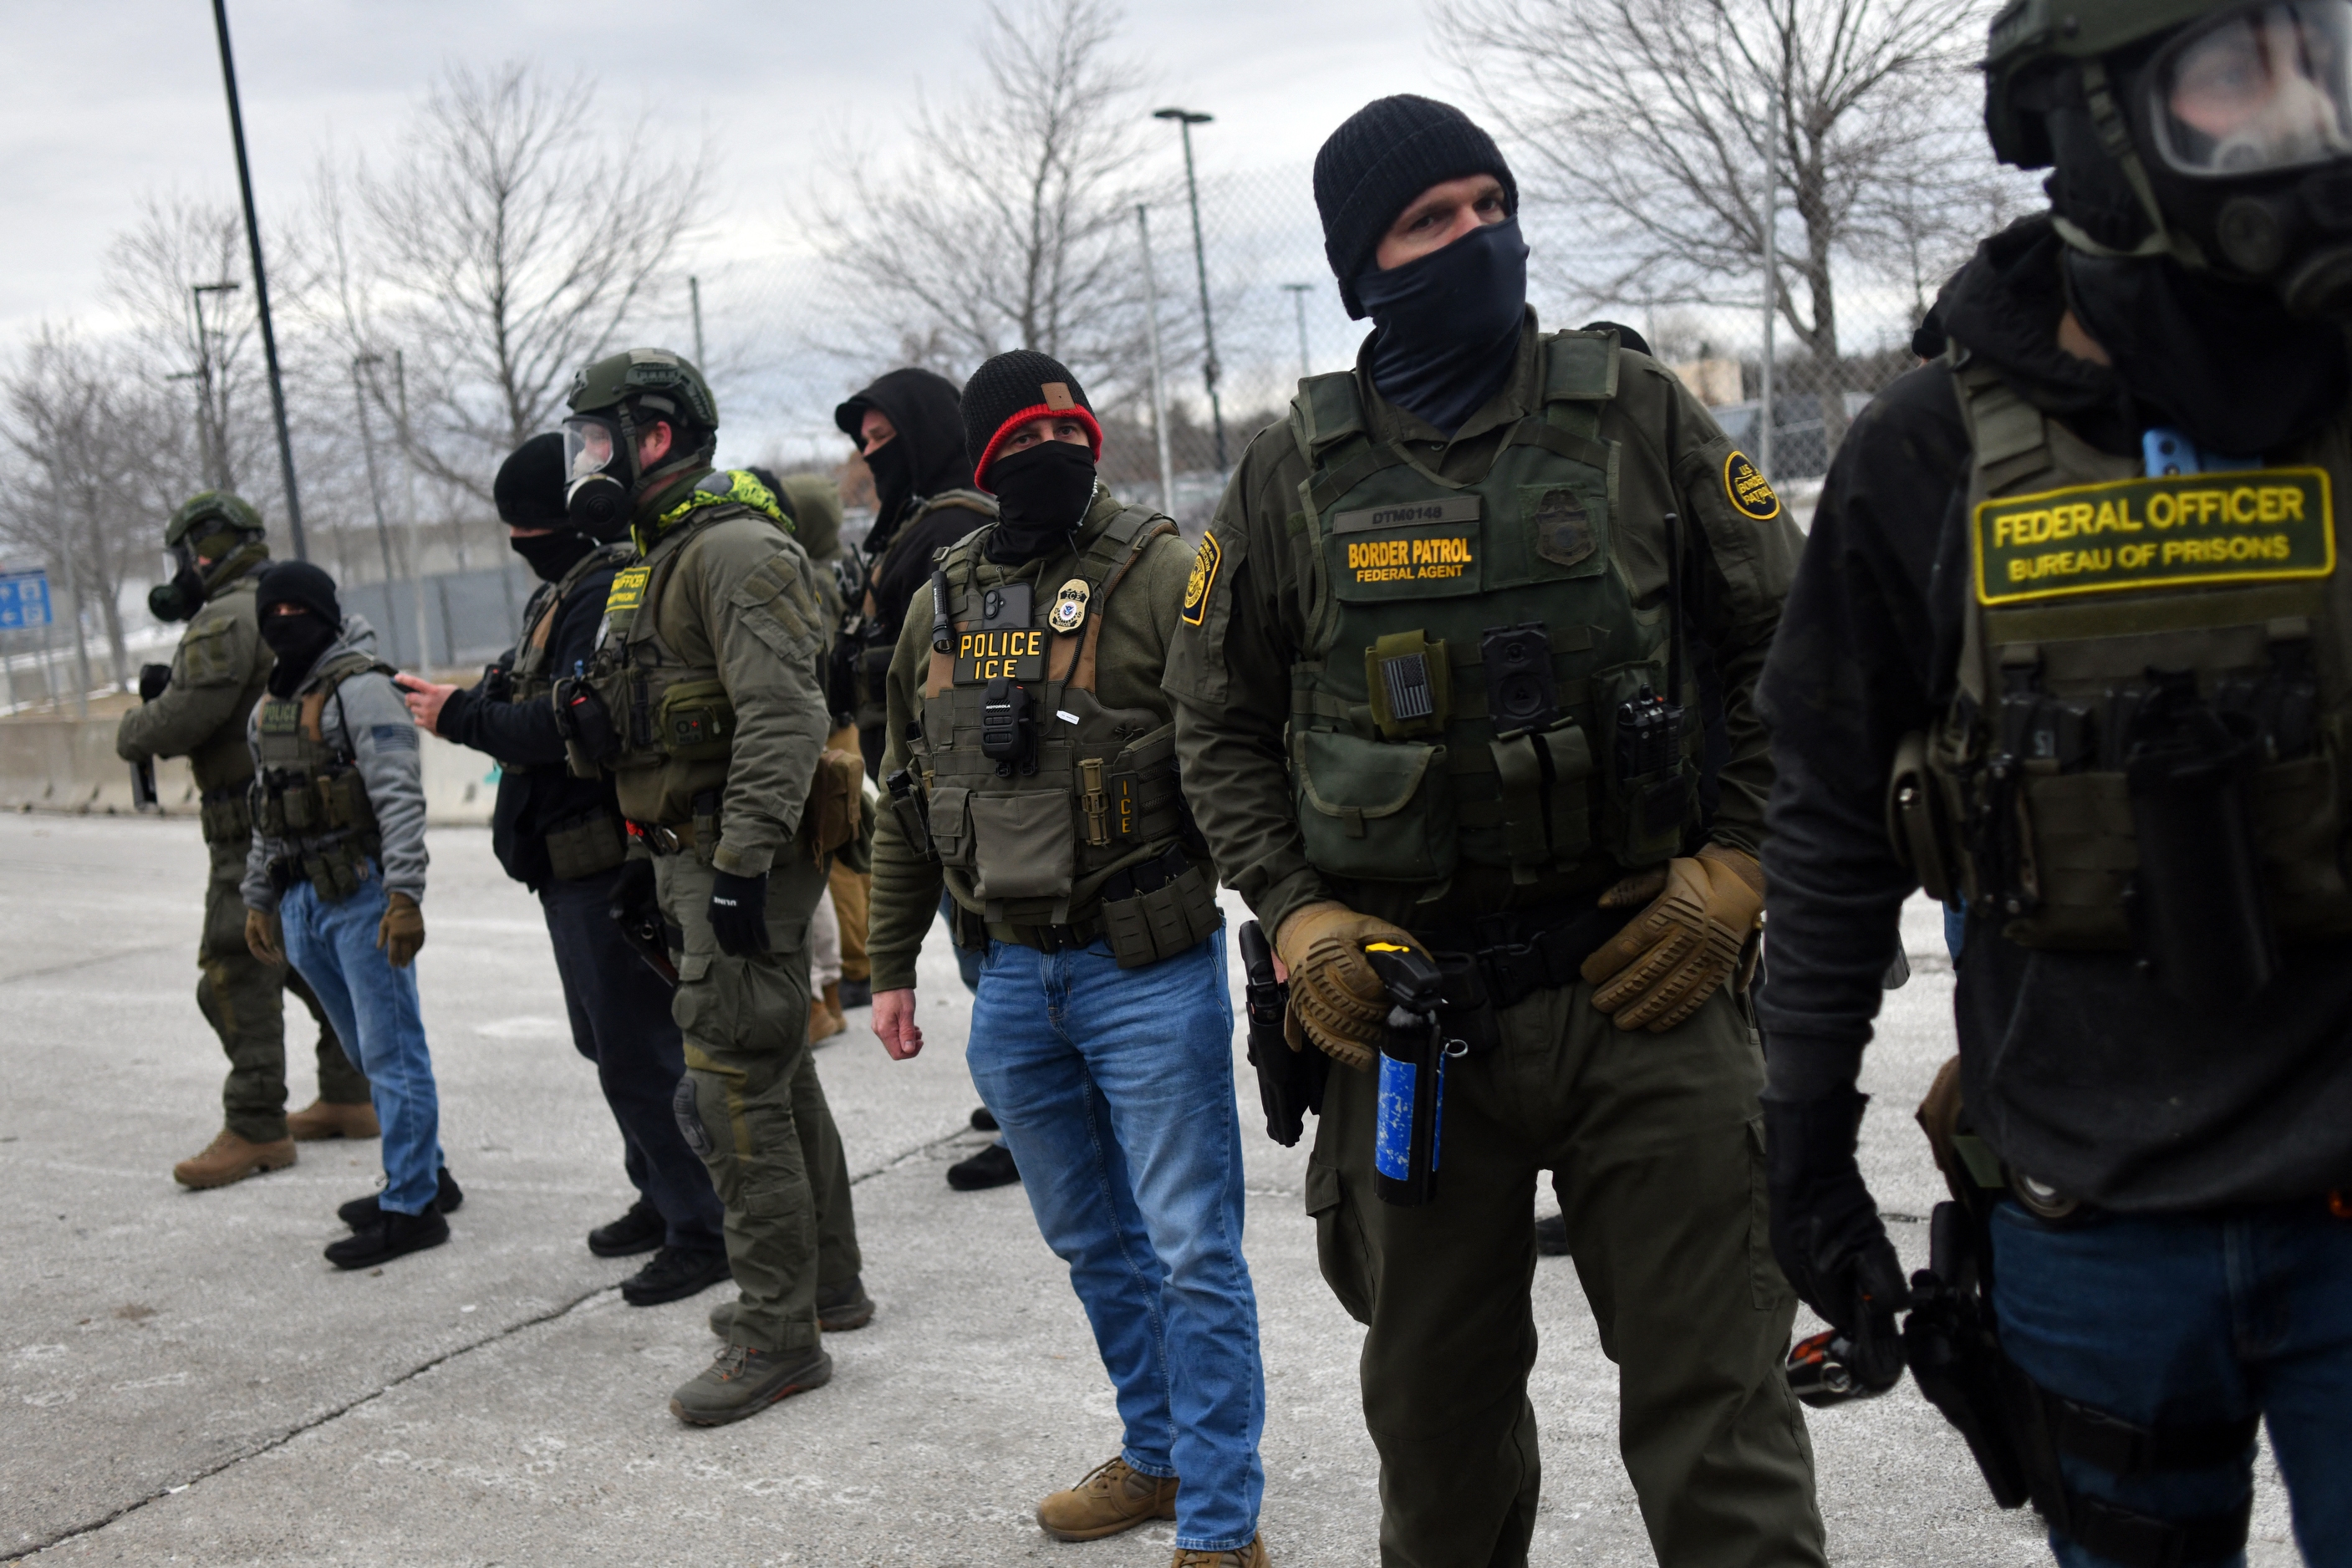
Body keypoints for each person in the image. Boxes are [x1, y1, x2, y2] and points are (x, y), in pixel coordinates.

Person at [1168, 95, 1826, 1565]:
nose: (1476, 237)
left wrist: (1738, 866)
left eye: (1488, 202)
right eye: (1428, 219)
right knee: (1436, 1433)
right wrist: (1294, 910)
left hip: (1644, 983)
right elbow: (1208, 724)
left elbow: (1794, 655)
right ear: (1360, 268)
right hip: (1402, 1015)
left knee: (1719, 1417)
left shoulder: (1637, 414)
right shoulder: (1287, 474)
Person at [1758, 4, 2352, 1565]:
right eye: (2236, 70)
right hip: (2091, 1228)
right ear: (2078, 118)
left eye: (2316, 60)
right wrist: (1800, 1133)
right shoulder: (1923, 452)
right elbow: (1823, 814)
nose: (2295, 112)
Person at [868, 349, 1268, 1567]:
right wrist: (890, 962)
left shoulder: (1160, 574)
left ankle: (1220, 1523)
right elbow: (906, 791)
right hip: (1008, 977)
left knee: (1192, 1248)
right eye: (1016, 449)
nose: (1046, 461)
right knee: (1093, 1241)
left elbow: (1244, 751)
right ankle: (1155, 1459)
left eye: (1067, 438)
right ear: (981, 466)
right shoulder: (939, 602)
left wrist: (1293, 912)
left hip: (1145, 965)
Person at [552, 347, 871, 1426]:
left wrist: (737, 866)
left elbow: (784, 718)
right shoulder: (656, 560)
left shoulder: (736, 550)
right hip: (684, 854)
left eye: (595, 441)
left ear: (652, 437)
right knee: (775, 1075)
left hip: (737, 859)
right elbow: (667, 715)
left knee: (734, 1093)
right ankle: (829, 1285)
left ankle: (776, 1335)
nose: (583, 463)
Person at [394, 433, 730, 1307]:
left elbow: (563, 724)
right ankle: (662, 1194)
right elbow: (527, 694)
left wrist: (461, 717)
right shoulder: (564, 593)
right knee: (606, 1043)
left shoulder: (609, 593)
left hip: (605, 860)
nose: (518, 541)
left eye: (526, 527)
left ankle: (703, 1226)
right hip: (564, 868)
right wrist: (477, 705)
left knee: (640, 1052)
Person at [118, 491, 372, 1189]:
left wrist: (132, 728)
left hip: (247, 826)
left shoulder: (225, 619)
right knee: (304, 955)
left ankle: (256, 1124)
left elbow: (178, 721)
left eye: (184, 556)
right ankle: (350, 1092)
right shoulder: (293, 602)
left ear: (202, 551)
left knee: (234, 969)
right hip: (314, 814)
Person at [831, 371, 1017, 1187]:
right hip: (926, 793)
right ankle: (1016, 1095)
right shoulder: (913, 524)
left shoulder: (954, 527)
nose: (874, 456)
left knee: (992, 959)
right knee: (980, 952)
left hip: (963, 796)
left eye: (883, 438)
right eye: (865, 444)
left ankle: (1029, 1114)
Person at [237, 561, 451, 1269]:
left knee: (392, 1053)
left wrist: (404, 896)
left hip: (360, 896)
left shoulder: (363, 690)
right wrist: (258, 897)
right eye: (274, 610)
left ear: (326, 613)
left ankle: (412, 1207)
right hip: (301, 901)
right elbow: (265, 811)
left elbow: (399, 798)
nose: (284, 621)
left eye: (299, 608)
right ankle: (430, 1174)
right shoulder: (270, 706)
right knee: (366, 1051)